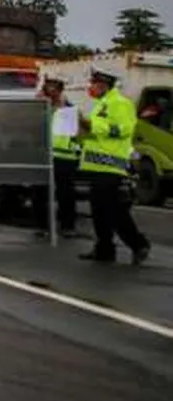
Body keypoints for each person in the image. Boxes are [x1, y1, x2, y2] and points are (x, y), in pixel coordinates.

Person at [77, 66, 150, 264]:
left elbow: (124, 130)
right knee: (99, 211)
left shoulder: (120, 103)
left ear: (104, 84)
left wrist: (93, 126)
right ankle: (104, 249)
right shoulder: (101, 104)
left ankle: (138, 244)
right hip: (96, 166)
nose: (91, 86)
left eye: (94, 83)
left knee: (114, 211)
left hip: (111, 166)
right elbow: (97, 135)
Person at [33, 77, 80, 238]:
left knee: (65, 193)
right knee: (40, 192)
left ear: (60, 91)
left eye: (54, 90)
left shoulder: (68, 109)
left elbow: (74, 132)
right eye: (48, 89)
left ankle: (67, 226)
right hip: (43, 156)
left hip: (64, 157)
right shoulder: (39, 107)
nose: (51, 93)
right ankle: (42, 225)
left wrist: (59, 107)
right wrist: (38, 105)